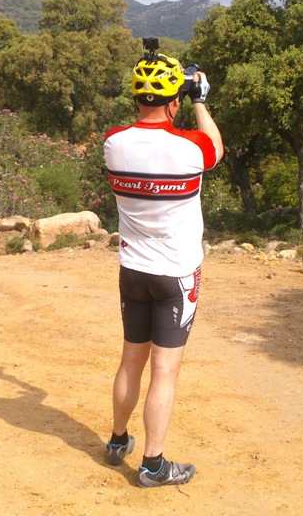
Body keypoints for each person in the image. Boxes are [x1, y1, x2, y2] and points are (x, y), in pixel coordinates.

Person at [103, 45, 223, 488]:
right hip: (176, 274)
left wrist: (181, 93)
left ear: (137, 98)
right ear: (174, 101)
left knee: (131, 359)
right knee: (165, 370)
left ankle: (118, 441)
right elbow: (216, 146)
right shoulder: (191, 147)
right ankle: (153, 466)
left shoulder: (114, 143)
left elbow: (144, 133)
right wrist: (201, 97)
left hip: (132, 270)